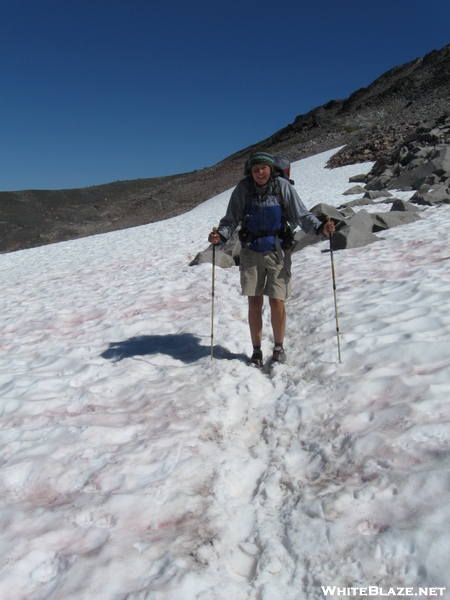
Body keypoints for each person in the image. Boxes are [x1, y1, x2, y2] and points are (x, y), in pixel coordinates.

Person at [208, 149, 335, 367]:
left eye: (263, 169)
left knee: (277, 301)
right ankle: (256, 351)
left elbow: (301, 216)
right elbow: (230, 220)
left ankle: (278, 347)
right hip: (250, 252)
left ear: (271, 169)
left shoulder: (282, 187)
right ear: (251, 171)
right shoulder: (243, 190)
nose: (260, 173)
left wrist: (321, 228)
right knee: (254, 302)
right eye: (256, 169)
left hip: (278, 252)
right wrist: (219, 237)